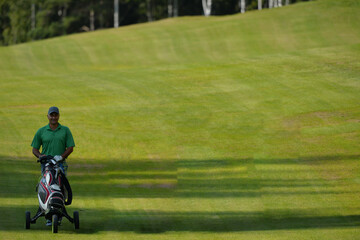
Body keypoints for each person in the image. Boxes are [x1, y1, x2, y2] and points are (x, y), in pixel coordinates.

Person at [31, 106, 75, 226]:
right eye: (51, 115)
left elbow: (70, 147)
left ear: (58, 116)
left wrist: (61, 156)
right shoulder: (41, 131)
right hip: (46, 165)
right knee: (47, 187)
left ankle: (59, 213)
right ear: (48, 116)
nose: (53, 117)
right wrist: (40, 156)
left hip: (60, 164)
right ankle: (47, 214)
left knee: (60, 187)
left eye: (55, 115)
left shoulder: (65, 130)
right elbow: (34, 149)